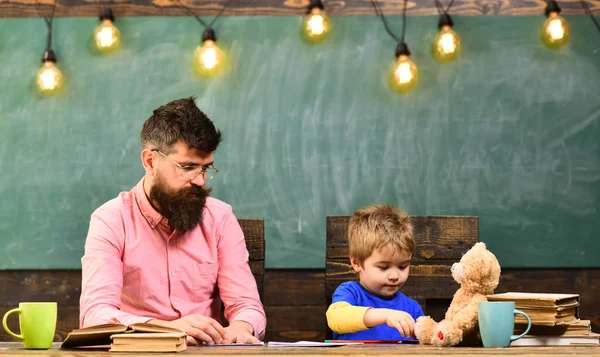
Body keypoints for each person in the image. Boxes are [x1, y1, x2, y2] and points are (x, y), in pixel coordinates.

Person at [79, 97, 266, 345]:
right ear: (150, 161)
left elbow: (246, 304)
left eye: (206, 168)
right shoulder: (111, 220)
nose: (200, 180)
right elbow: (95, 315)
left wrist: (241, 327)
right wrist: (165, 330)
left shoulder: (220, 218)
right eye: (188, 167)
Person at [326, 204, 423, 340]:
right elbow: (336, 318)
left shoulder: (412, 308)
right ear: (357, 263)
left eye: (402, 266)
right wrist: (385, 315)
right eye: (383, 267)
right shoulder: (351, 293)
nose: (394, 276)